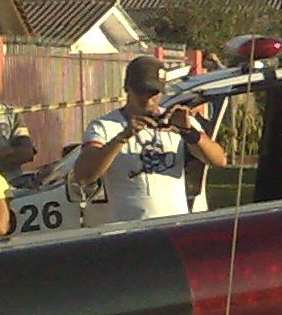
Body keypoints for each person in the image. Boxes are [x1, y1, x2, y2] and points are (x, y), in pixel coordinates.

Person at [75, 56, 228, 224]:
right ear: (127, 87)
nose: (148, 99)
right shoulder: (105, 126)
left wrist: (188, 131)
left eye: (154, 92)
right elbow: (84, 176)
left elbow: (219, 160)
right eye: (142, 91)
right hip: (132, 234)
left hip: (176, 230)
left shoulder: (175, 119)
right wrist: (123, 137)